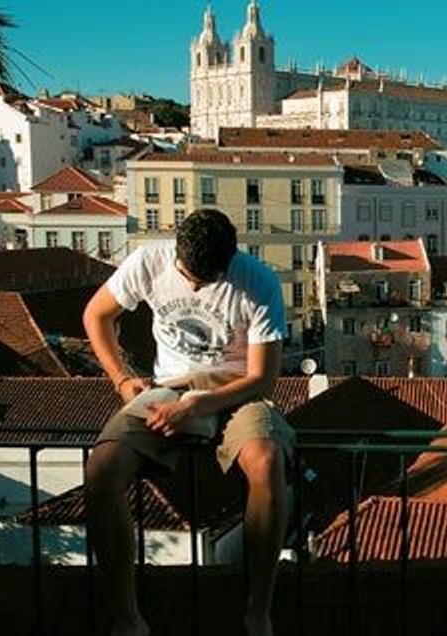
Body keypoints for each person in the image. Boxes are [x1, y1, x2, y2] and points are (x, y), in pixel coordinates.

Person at [83, 209, 293, 636]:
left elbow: (262, 378)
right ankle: (128, 619)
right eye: (189, 276)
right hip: (171, 386)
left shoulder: (258, 282)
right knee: (102, 469)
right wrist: (122, 380)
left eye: (208, 280)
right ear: (176, 253)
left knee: (266, 461)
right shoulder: (149, 262)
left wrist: (198, 408)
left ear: (229, 262)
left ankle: (258, 612)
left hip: (236, 390)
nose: (196, 286)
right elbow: (96, 315)